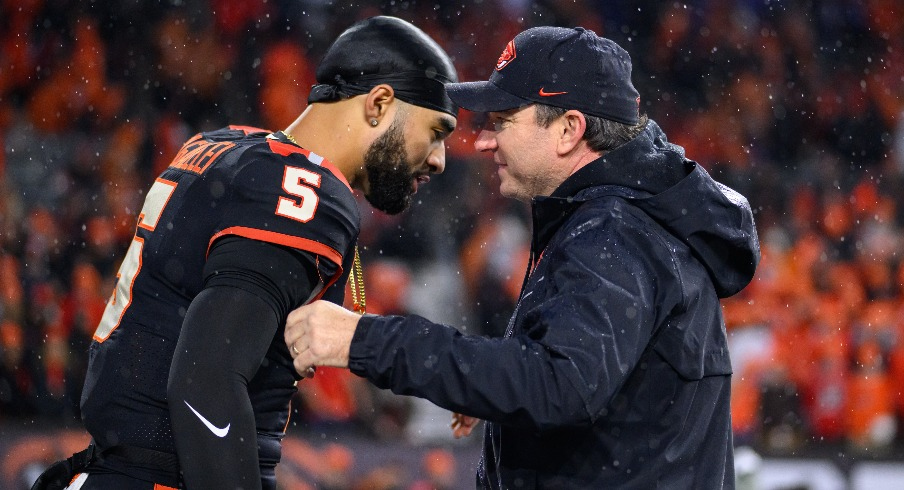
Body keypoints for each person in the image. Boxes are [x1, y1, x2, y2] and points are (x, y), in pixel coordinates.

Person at [285, 26, 760, 489]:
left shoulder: (614, 232)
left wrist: (363, 339)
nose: (485, 141)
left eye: (504, 121)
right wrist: (497, 391)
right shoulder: (616, 220)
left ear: (569, 130)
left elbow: (560, 386)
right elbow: (577, 381)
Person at [30, 15, 458, 490]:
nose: (439, 159)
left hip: (117, 469)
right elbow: (205, 382)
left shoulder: (223, 147)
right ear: (378, 103)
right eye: (436, 131)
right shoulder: (305, 192)